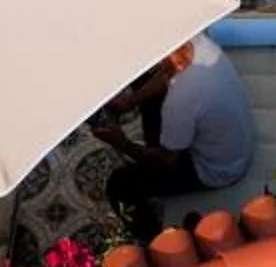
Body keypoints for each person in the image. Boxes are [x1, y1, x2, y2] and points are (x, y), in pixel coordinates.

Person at [93, 35, 253, 222]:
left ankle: (150, 237)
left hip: (218, 170)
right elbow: (166, 74)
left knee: (119, 185)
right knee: (145, 85)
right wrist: (128, 103)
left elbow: (166, 159)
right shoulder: (198, 42)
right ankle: (167, 136)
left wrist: (121, 142)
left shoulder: (180, 99)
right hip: (229, 141)